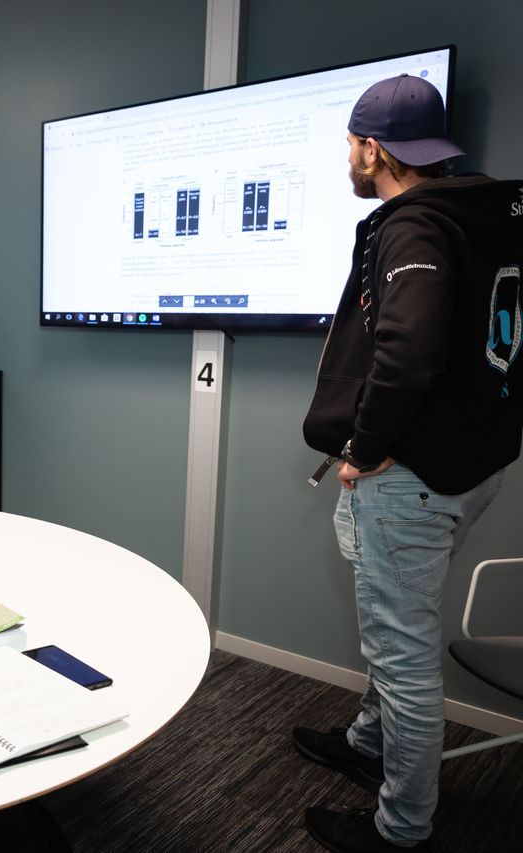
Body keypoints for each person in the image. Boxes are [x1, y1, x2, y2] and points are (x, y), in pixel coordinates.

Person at [297, 74, 523, 853]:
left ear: (373, 148)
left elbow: (410, 351)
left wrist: (362, 447)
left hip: (413, 481)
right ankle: (368, 741)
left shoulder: (415, 227)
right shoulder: (481, 217)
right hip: (471, 466)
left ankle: (402, 830)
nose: (349, 162)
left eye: (350, 148)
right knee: (398, 628)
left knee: (403, 654)